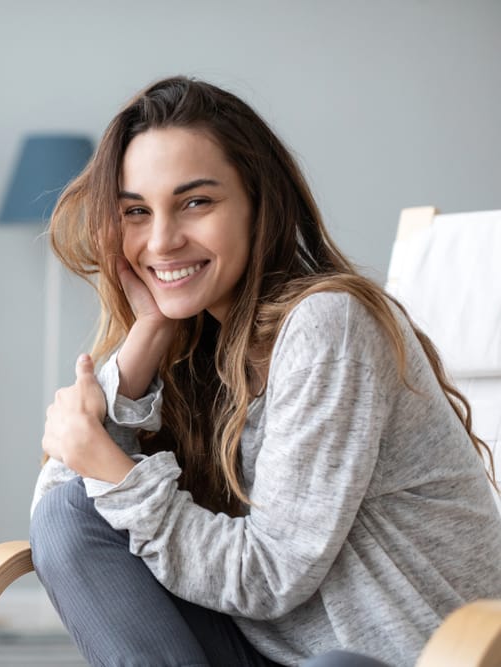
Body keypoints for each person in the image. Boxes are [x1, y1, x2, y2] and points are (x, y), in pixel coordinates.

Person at [28, 75, 501, 667]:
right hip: (268, 650)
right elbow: (65, 507)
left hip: (407, 657)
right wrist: (146, 336)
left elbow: (270, 576)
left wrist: (112, 471)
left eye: (196, 202)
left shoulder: (328, 325)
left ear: (259, 202)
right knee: (68, 516)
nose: (163, 240)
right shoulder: (194, 345)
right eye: (137, 212)